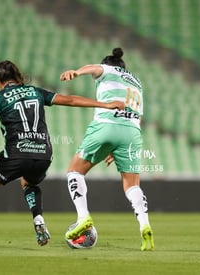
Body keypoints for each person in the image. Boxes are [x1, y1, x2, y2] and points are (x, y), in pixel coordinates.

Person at [0, 60, 125, 251]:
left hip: (17, 154)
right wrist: (106, 105)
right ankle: (38, 218)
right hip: (44, 155)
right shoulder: (36, 91)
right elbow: (70, 100)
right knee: (28, 181)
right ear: (17, 76)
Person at [59, 48, 155, 251]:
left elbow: (93, 68)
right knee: (132, 185)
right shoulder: (137, 83)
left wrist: (76, 72)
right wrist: (117, 144)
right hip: (132, 132)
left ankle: (83, 217)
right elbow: (139, 116)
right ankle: (144, 225)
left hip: (106, 124)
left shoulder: (109, 69)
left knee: (74, 171)